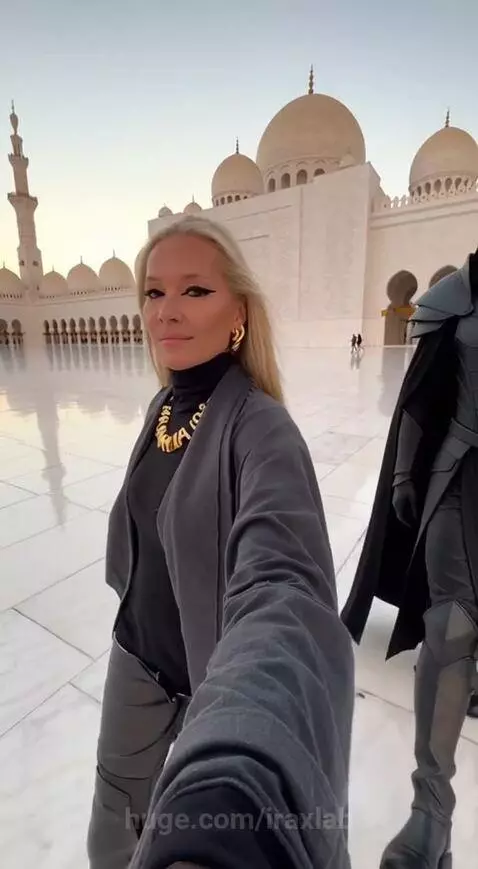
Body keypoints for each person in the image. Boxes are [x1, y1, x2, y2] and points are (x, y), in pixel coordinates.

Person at [87, 215, 354, 869]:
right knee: (111, 837)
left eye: (195, 290)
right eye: (154, 292)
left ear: (238, 311)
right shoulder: (162, 408)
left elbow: (284, 583)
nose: (167, 311)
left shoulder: (263, 430)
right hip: (138, 660)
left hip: (218, 679)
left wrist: (248, 738)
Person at [341, 249, 478, 869]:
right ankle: (431, 812)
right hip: (459, 478)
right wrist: (404, 473)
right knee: (449, 628)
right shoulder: (457, 299)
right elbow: (420, 399)